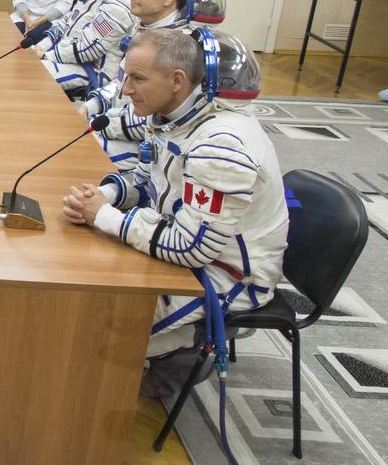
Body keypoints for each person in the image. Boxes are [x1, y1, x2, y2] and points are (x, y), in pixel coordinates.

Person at [62, 29, 287, 367]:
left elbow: (193, 248)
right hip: (184, 245)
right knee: (73, 277)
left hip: (224, 275)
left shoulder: (222, 146)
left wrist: (106, 218)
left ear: (178, 80)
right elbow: (145, 182)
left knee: (89, 322)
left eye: (137, 78)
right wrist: (104, 195)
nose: (125, 90)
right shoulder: (176, 115)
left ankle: (168, 358)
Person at [82, 0, 226, 170]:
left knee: (68, 151)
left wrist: (96, 126)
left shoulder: (181, 47)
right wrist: (88, 108)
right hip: (117, 126)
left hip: (149, 146)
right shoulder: (145, 29)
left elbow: (151, 120)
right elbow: (120, 83)